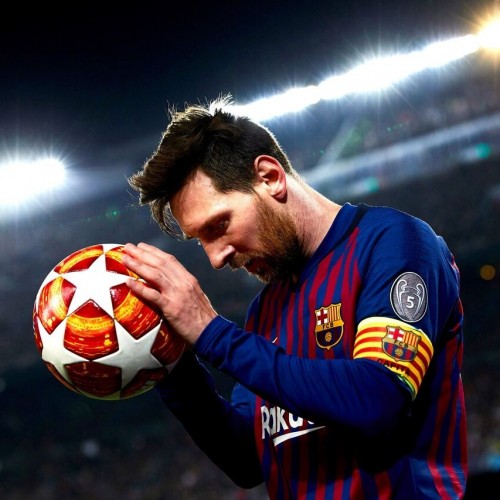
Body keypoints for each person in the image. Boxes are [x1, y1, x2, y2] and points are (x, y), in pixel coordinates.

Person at [121, 95, 467, 499]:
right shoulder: (265, 310)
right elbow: (248, 459)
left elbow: (377, 399)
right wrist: (173, 365)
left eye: (219, 225)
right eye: (201, 240)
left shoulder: (394, 243)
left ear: (270, 177)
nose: (216, 258)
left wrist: (212, 333)